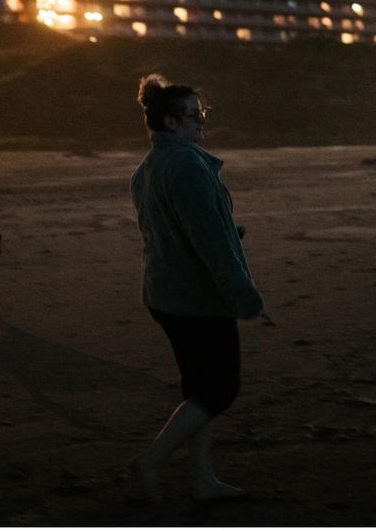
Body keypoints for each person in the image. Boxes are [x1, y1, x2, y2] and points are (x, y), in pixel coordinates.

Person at [129, 73, 266, 505]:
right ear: (170, 122)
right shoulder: (186, 164)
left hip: (164, 294)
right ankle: (152, 461)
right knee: (220, 388)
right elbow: (208, 243)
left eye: (200, 113)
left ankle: (204, 479)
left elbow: (170, 229)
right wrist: (245, 297)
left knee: (197, 389)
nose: (201, 122)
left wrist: (227, 228)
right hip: (196, 299)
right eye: (193, 115)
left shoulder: (147, 168)